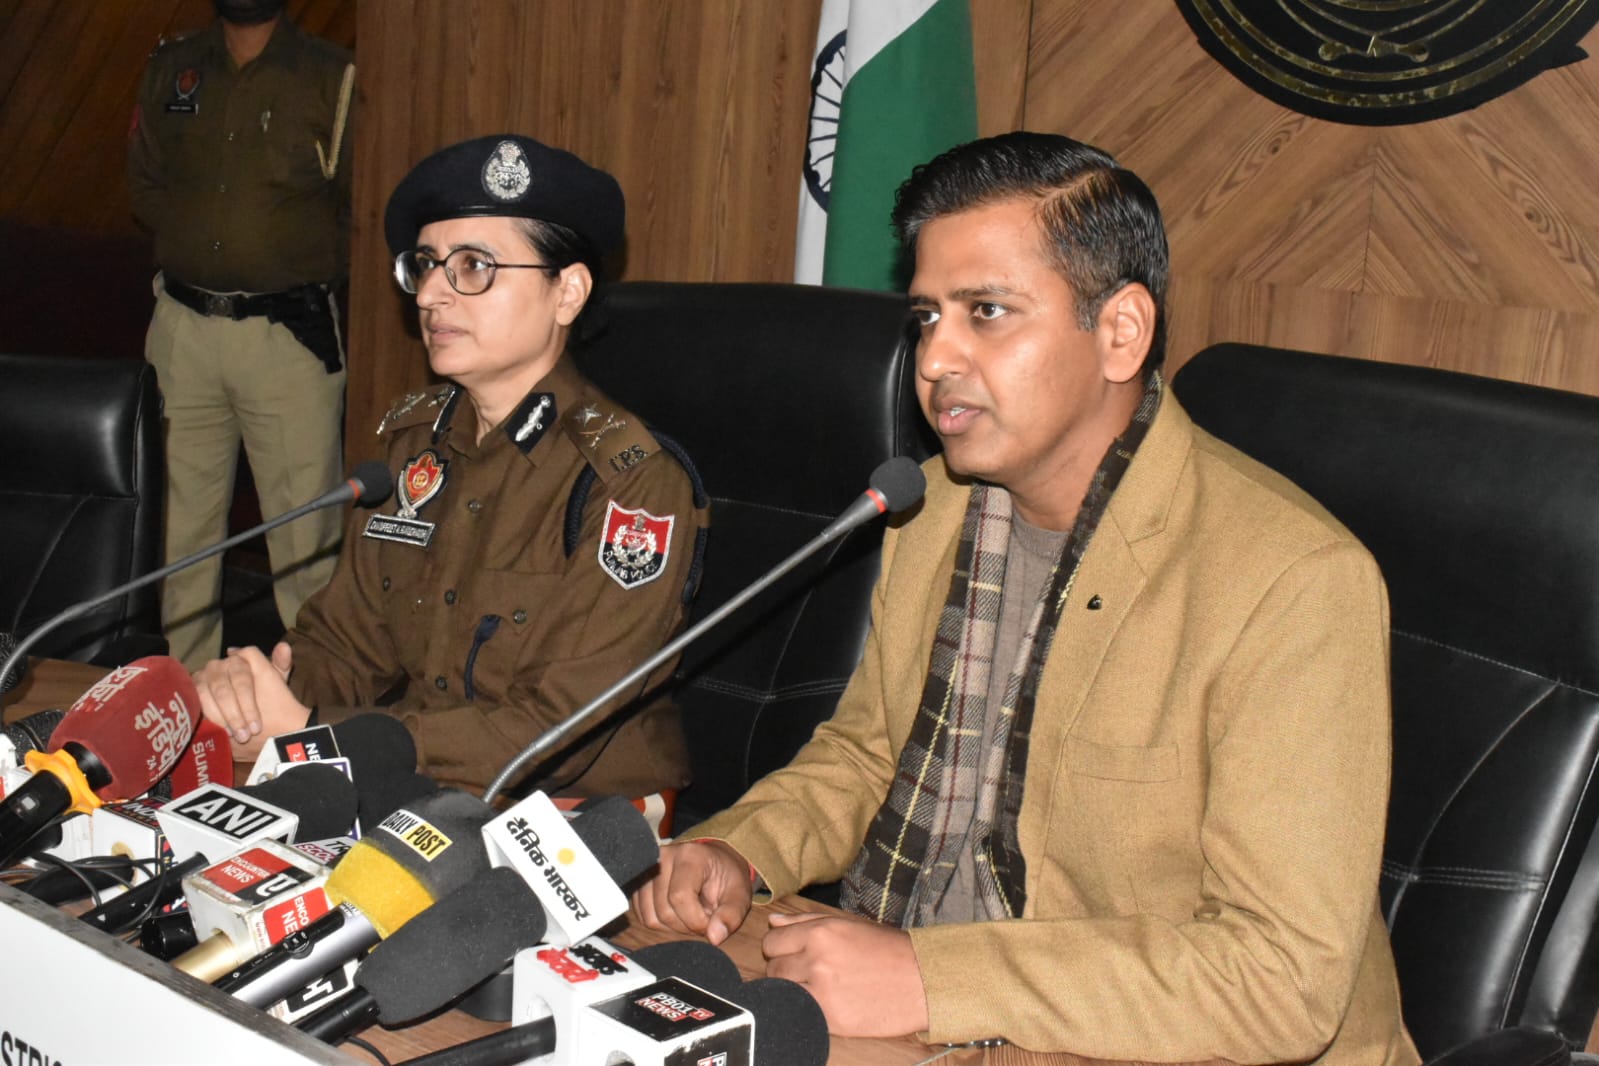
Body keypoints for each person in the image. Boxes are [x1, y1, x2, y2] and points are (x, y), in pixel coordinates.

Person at [632, 132, 1418, 1064]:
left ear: (1120, 332)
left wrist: (930, 977)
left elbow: (1281, 981)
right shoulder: (933, 510)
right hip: (937, 1009)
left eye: (987, 312)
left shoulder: (1291, 580)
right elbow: (870, 754)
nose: (935, 358)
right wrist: (739, 852)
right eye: (926, 317)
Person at [190, 134, 709, 799]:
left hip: (577, 811)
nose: (432, 293)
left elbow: (556, 732)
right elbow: (347, 644)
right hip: (424, 783)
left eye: (473, 266)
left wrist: (316, 734)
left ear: (568, 292)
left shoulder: (630, 483)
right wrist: (256, 695)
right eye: (426, 265)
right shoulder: (415, 449)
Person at [127, 0, 355, 672]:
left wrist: (284, 259)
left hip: (285, 339)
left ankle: (307, 705)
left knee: (306, 542)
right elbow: (145, 182)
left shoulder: (332, 77)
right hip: (182, 332)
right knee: (179, 544)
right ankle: (183, 703)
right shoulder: (172, 68)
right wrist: (204, 244)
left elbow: (361, 206)